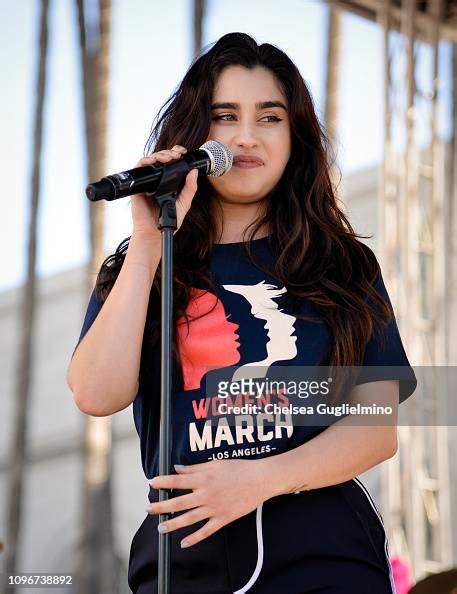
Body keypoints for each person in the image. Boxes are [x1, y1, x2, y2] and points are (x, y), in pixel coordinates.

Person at [67, 32, 417, 594]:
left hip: (321, 550)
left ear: (296, 136)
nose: (247, 136)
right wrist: (148, 241)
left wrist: (257, 481)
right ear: (196, 136)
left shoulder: (342, 265)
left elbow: (377, 430)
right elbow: (95, 393)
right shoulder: (148, 261)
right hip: (184, 556)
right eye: (225, 116)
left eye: (270, 117)